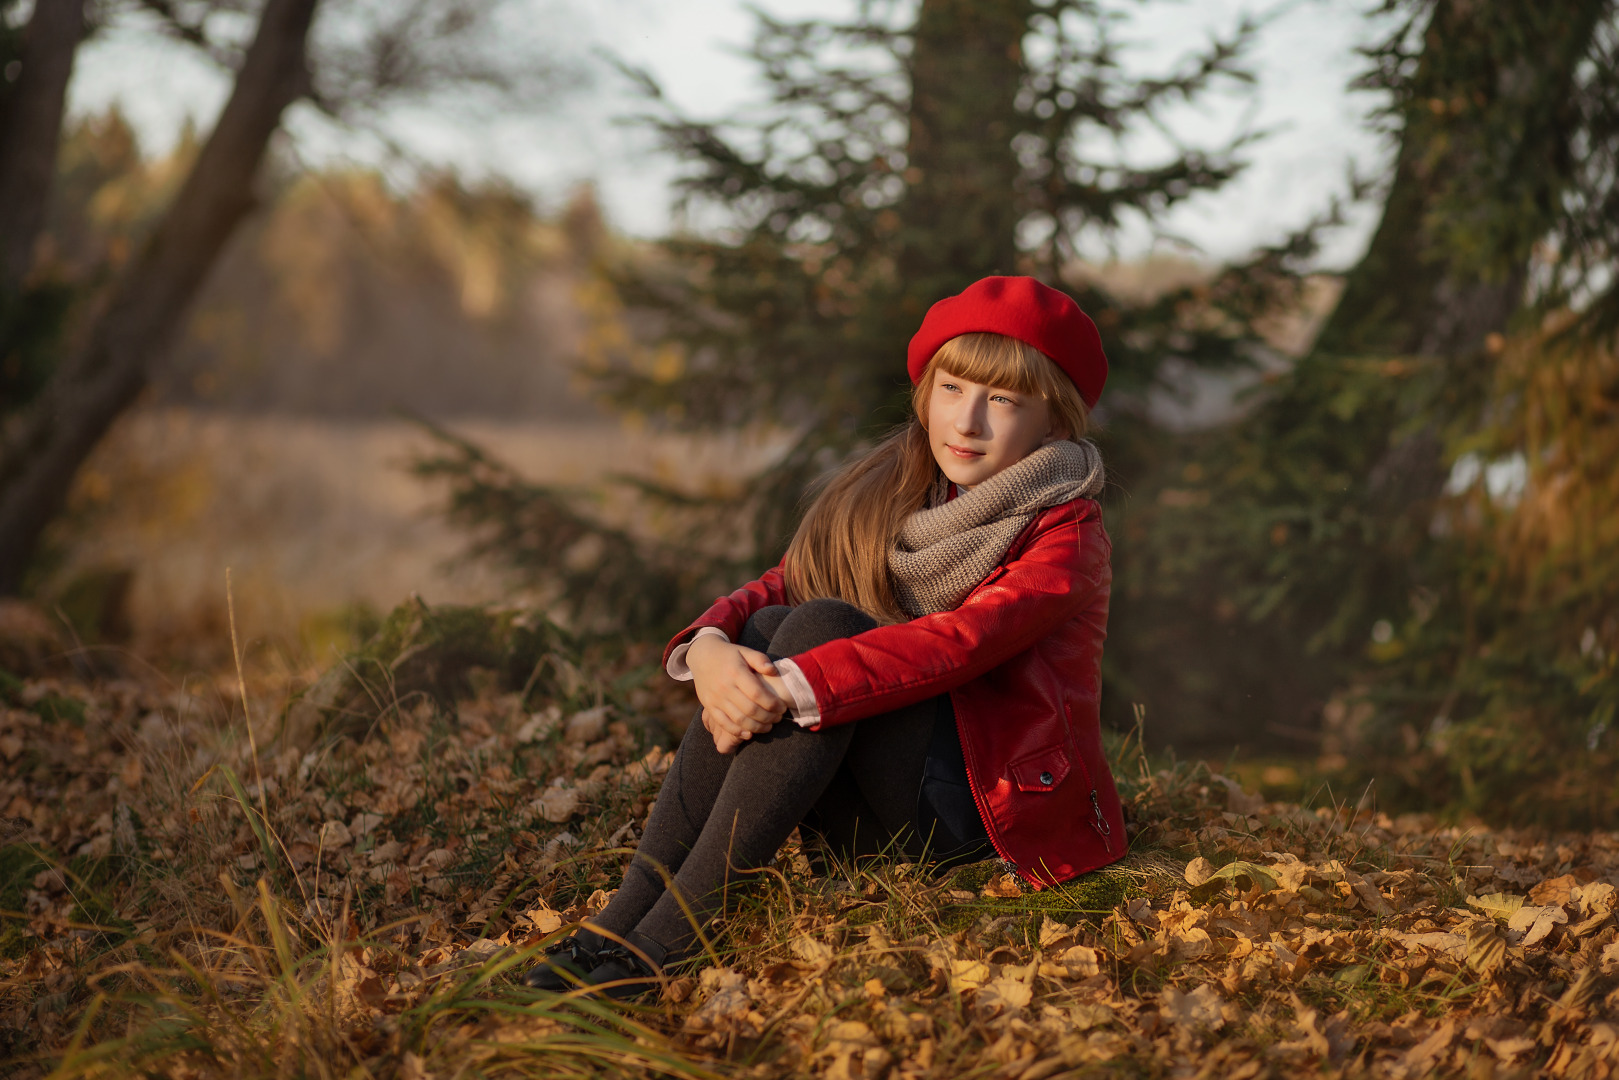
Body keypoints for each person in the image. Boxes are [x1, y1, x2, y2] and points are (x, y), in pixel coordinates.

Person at [524, 275, 1127, 997]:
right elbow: (781, 583)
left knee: (818, 630)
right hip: (878, 798)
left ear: (1052, 424)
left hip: (984, 816)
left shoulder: (1067, 536)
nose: (966, 422)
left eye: (1001, 401)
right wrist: (711, 652)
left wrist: (788, 686)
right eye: (952, 389)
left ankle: (665, 943)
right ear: (924, 393)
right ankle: (615, 929)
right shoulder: (894, 484)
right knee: (780, 622)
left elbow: (960, 642)